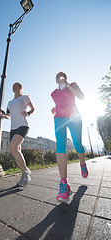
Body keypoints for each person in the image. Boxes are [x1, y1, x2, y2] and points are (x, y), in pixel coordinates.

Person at [51, 71, 88, 202]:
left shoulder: (72, 85)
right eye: (58, 77)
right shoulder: (54, 93)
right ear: (56, 81)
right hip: (59, 118)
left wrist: (67, 84)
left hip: (74, 117)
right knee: (60, 144)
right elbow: (60, 103)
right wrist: (54, 110)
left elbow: (81, 97)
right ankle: (64, 184)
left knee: (77, 143)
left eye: (62, 77)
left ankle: (82, 163)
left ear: (65, 78)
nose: (60, 79)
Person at [0, 82, 35, 187]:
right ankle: (24, 174)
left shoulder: (24, 98)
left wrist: (28, 113)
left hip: (23, 125)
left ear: (20, 88)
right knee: (16, 153)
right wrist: (1, 115)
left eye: (16, 86)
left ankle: (26, 173)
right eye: (12, 86)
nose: (13, 87)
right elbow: (9, 115)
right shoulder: (10, 103)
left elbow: (33, 108)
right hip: (13, 128)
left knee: (12, 148)